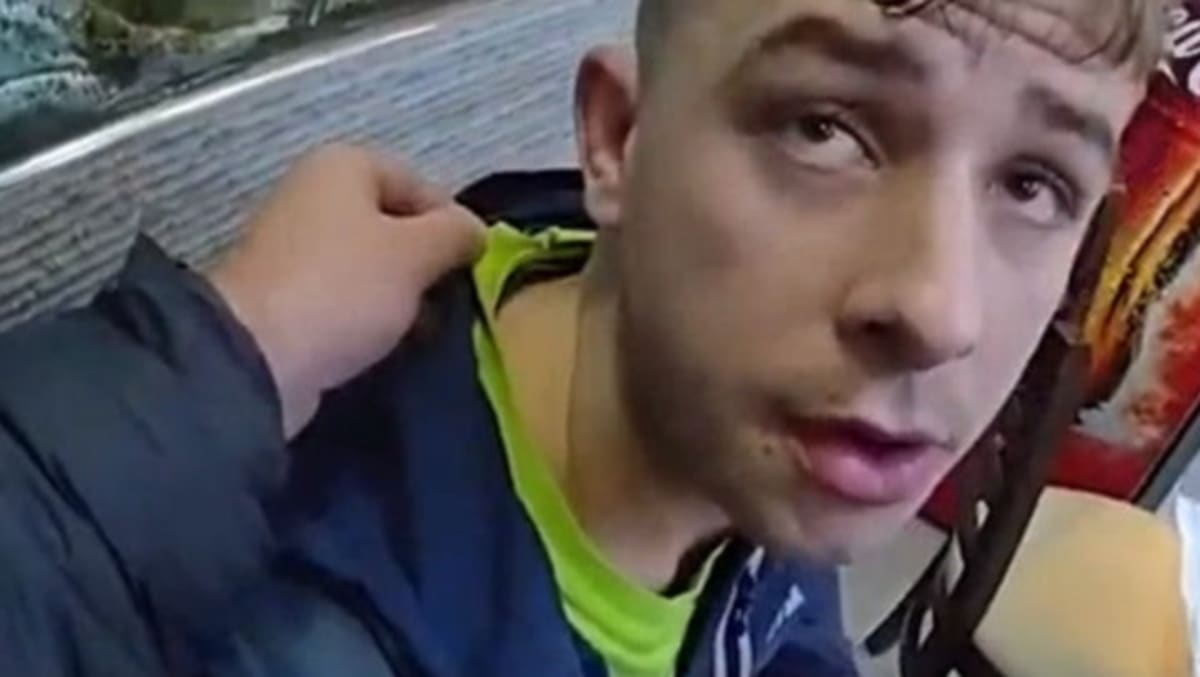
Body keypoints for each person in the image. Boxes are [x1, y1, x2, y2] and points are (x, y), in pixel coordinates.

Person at [0, 0, 1165, 675]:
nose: (940, 311)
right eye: (824, 128)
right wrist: (231, 354)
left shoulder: (773, 427)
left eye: (1033, 183)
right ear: (619, 139)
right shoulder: (316, 623)